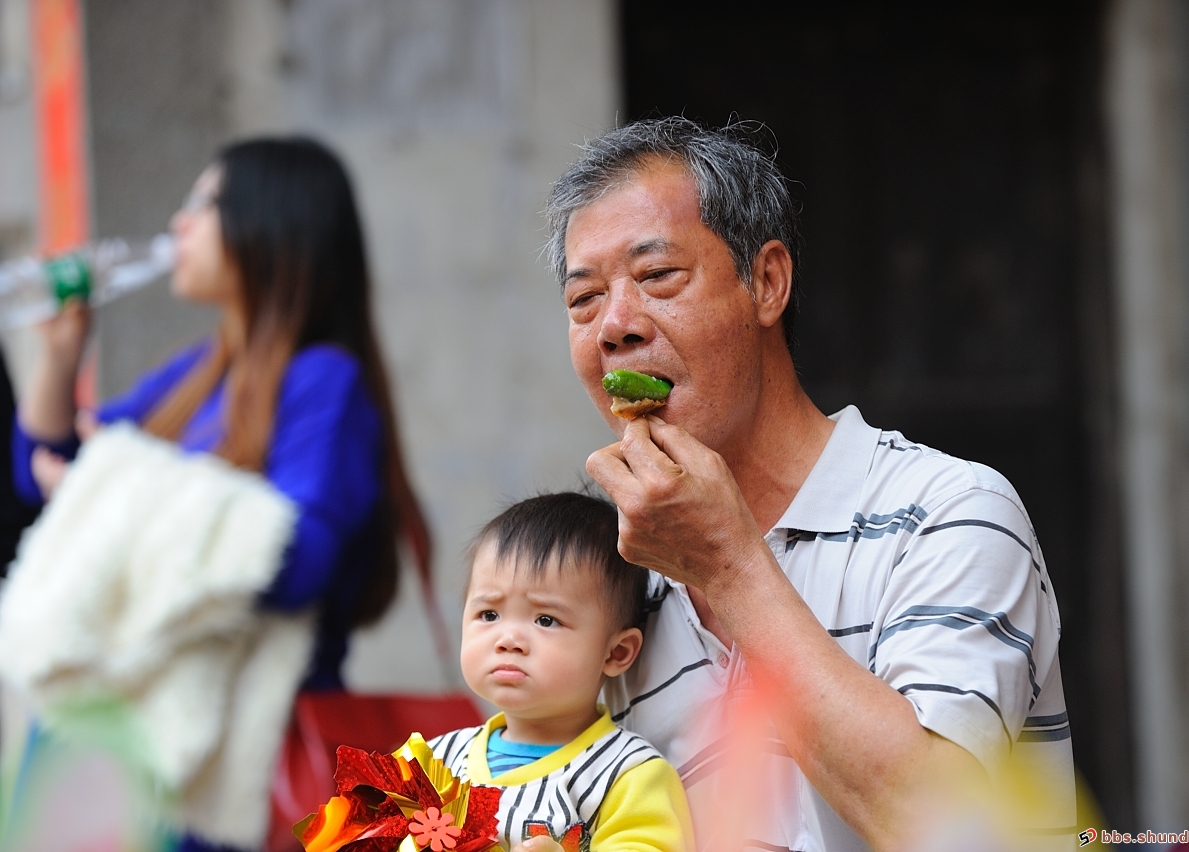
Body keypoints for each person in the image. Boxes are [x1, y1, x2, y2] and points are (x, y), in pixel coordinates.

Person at [545, 117, 1076, 852]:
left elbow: (942, 829)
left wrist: (727, 566)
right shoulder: (615, 587)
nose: (616, 326)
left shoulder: (952, 514)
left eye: (658, 277)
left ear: (767, 282)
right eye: (584, 301)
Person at [10, 137, 431, 851]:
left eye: (203, 204)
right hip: (147, 745)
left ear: (271, 226)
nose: (179, 224)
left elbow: (295, 560)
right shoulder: (204, 369)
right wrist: (60, 357)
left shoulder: (323, 379)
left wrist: (113, 489)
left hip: (240, 754)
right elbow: (47, 472)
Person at [419, 491, 693, 852]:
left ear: (616, 652)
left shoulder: (627, 776)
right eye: (489, 615)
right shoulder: (428, 764)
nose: (509, 639)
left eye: (546, 620)